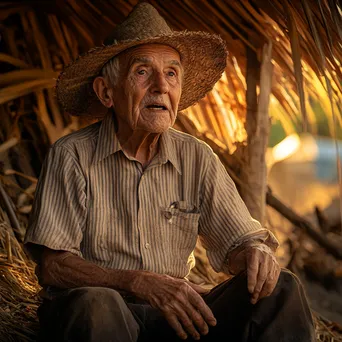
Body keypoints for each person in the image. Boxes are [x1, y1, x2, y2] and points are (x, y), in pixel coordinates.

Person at [25, 3, 315, 342]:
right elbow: (53, 265)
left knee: (281, 288)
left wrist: (256, 253)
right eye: (142, 72)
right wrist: (136, 281)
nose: (161, 86)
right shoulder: (72, 155)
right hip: (107, 314)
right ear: (106, 92)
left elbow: (240, 240)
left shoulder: (196, 158)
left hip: (179, 318)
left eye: (172, 73)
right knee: (96, 303)